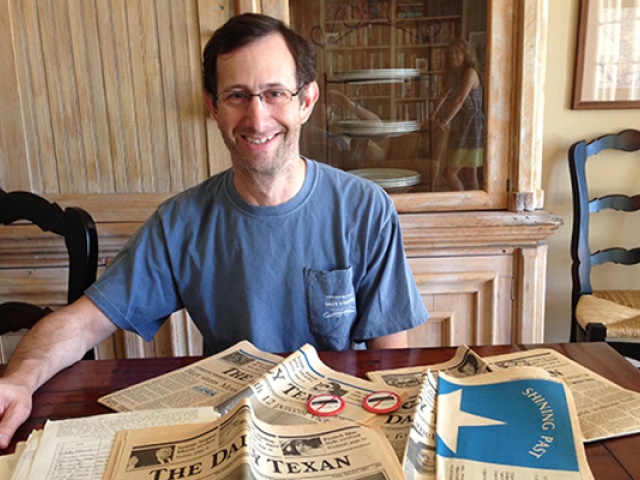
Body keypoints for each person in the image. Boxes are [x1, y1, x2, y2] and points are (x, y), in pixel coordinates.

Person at [0, 13, 428, 450]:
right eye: (237, 96)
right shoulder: (180, 221)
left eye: (275, 93)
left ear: (307, 100)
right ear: (213, 107)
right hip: (231, 434)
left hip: (338, 428)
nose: (258, 119)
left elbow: (390, 363)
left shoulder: (364, 208)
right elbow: (84, 323)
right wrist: (17, 380)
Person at [431, 39, 484, 191]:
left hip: (472, 124)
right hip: (461, 123)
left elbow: (460, 99)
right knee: (468, 171)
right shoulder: (454, 75)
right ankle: (470, 204)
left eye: (458, 53)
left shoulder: (470, 73)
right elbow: (442, 96)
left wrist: (445, 121)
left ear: (465, 55)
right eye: (451, 53)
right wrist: (432, 116)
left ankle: (466, 204)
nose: (453, 56)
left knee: (452, 172)